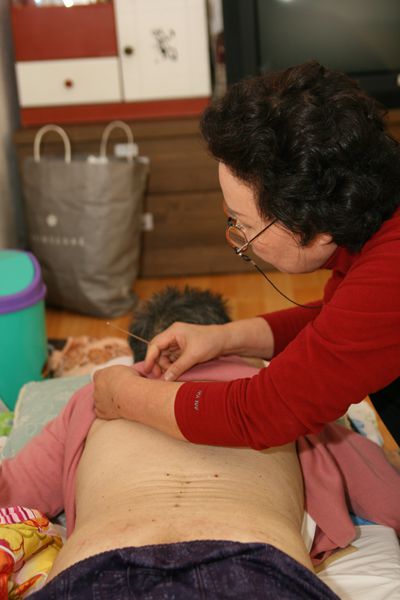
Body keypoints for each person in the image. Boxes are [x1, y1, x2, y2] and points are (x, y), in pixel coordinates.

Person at [93, 60, 400, 449]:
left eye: (246, 224)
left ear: (317, 227)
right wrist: (224, 338)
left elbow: (262, 413)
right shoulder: (370, 218)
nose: (240, 239)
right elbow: (341, 326)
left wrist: (124, 396)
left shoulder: (391, 273)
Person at [1, 363, 341, 600]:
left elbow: (15, 489)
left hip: (98, 564)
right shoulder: (285, 393)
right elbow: (371, 485)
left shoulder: (99, 394)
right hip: (257, 563)